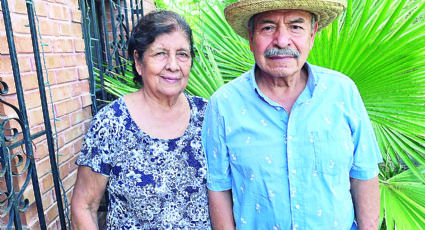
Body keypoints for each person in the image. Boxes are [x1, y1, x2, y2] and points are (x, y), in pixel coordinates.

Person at [202, 0, 383, 229]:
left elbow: (363, 174)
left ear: (312, 34)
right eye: (268, 28)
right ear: (251, 37)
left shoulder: (342, 92)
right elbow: (219, 188)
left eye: (296, 27)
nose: (282, 40)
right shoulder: (224, 105)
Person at [71, 11, 211, 229]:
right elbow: (84, 206)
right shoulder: (111, 123)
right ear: (138, 61)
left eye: (182, 54)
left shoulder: (208, 115)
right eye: (160, 54)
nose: (173, 65)